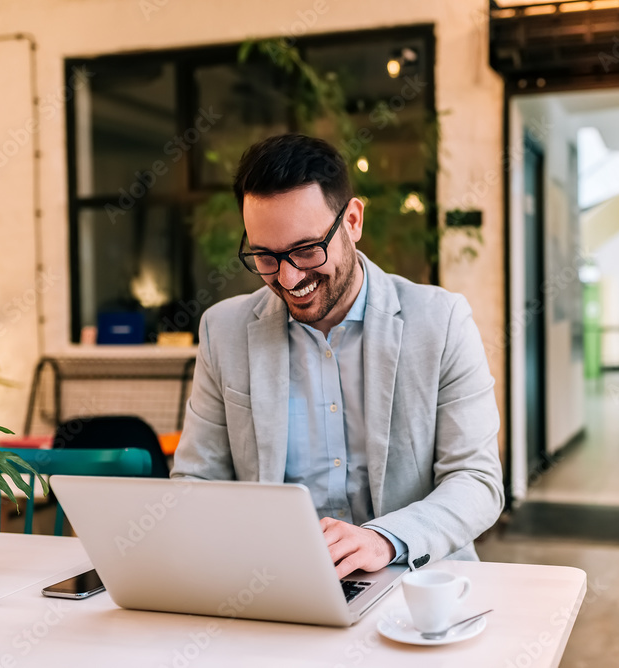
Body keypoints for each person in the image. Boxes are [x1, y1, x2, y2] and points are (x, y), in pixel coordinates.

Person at [171, 133, 504, 579]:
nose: (288, 278)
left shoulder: (441, 322)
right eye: (265, 257)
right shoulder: (222, 330)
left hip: (413, 580)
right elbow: (197, 483)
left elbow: (477, 481)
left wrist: (385, 539)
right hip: (271, 583)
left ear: (352, 220)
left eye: (307, 250)